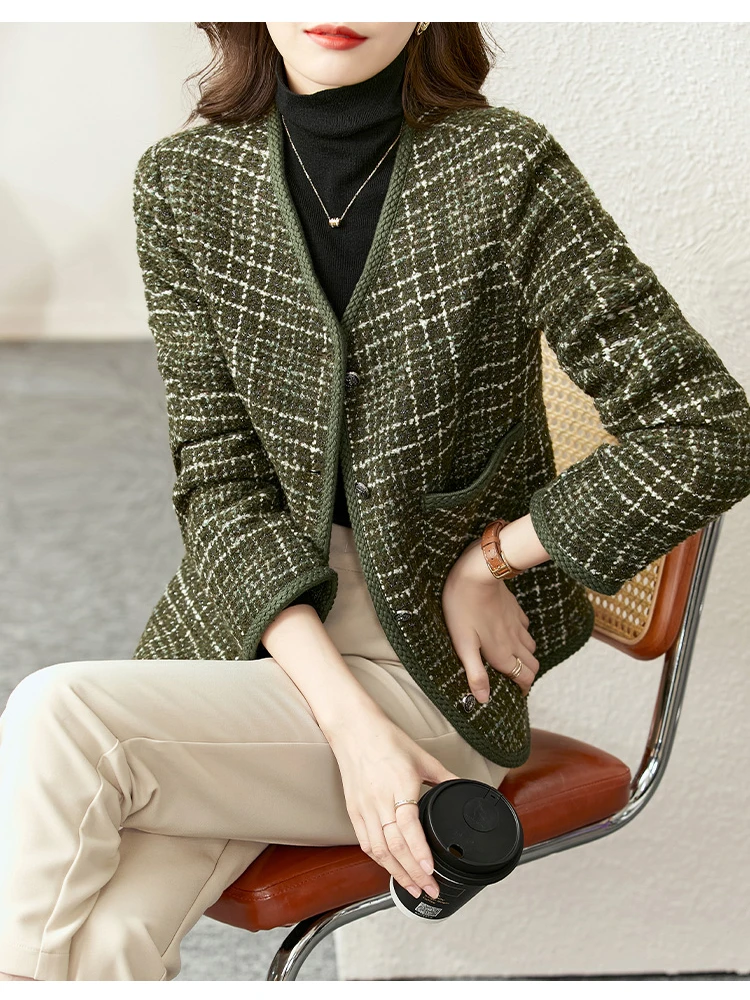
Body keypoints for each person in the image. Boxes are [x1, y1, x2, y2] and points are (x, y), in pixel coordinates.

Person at [1, 22, 749, 981]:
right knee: (106, 939)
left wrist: (495, 557)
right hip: (269, 634)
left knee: (62, 716)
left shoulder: (502, 170)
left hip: (433, 671)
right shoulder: (186, 185)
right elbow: (222, 485)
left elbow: (705, 429)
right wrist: (355, 735)